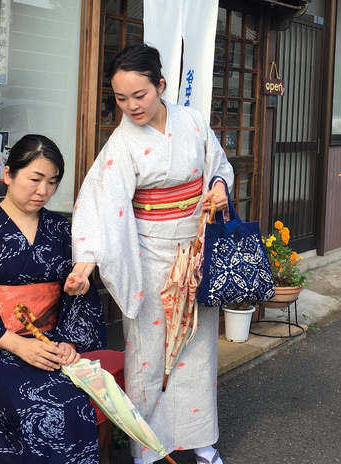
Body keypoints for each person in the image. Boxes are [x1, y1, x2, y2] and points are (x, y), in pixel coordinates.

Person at [67, 43, 233, 464]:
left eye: (138, 95)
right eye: (120, 98)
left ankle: (200, 439)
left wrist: (217, 188)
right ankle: (149, 447)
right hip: (148, 255)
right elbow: (100, 206)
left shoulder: (193, 122)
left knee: (197, 345)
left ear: (161, 85)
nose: (130, 106)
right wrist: (85, 263)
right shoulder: (121, 144)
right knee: (147, 352)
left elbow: (219, 166)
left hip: (195, 251)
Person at [0, 134, 107, 463]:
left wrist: (69, 337)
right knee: (43, 407)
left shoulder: (60, 230)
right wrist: (16, 344)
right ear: (8, 174)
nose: (43, 191)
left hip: (48, 345)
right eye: (35, 179)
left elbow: (73, 294)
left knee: (74, 399)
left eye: (52, 182)